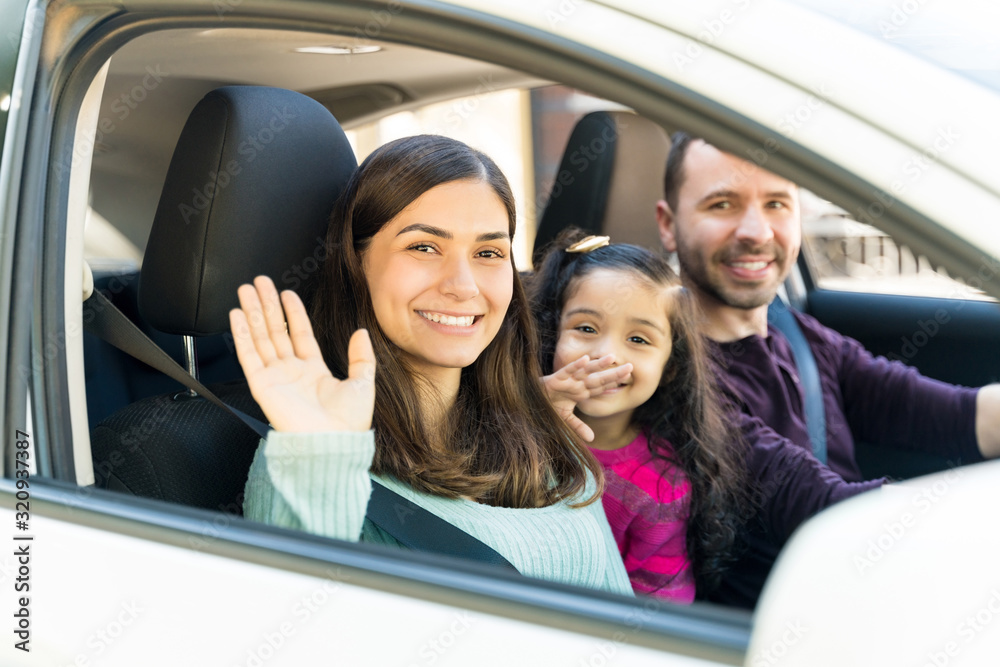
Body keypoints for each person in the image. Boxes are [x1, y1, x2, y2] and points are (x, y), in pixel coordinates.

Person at [230, 134, 632, 595]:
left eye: (488, 253)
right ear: (355, 263)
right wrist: (322, 459)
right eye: (423, 247)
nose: (462, 286)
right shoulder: (311, 446)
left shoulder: (540, 429)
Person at [654, 131, 1000, 606]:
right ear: (668, 224)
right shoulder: (667, 375)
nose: (757, 231)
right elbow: (824, 505)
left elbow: (959, 415)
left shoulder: (796, 333)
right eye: (723, 204)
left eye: (776, 203)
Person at [528, 228, 881, 603]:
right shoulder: (512, 422)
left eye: (639, 339)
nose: (607, 355)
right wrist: (529, 412)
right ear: (552, 334)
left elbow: (659, 611)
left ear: (671, 365)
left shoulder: (661, 487)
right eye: (585, 328)